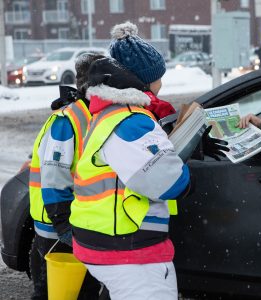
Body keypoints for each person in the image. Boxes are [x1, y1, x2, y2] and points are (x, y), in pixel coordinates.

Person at [69, 22, 226, 300]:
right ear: (143, 81)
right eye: (158, 77)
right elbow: (167, 182)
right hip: (127, 251)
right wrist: (187, 179)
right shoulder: (129, 119)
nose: (161, 83)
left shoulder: (111, 113)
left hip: (107, 239)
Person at [28, 53, 106, 300]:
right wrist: (63, 224)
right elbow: (53, 174)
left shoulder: (92, 114)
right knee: (57, 293)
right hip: (57, 226)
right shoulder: (68, 119)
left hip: (78, 223)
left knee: (82, 293)